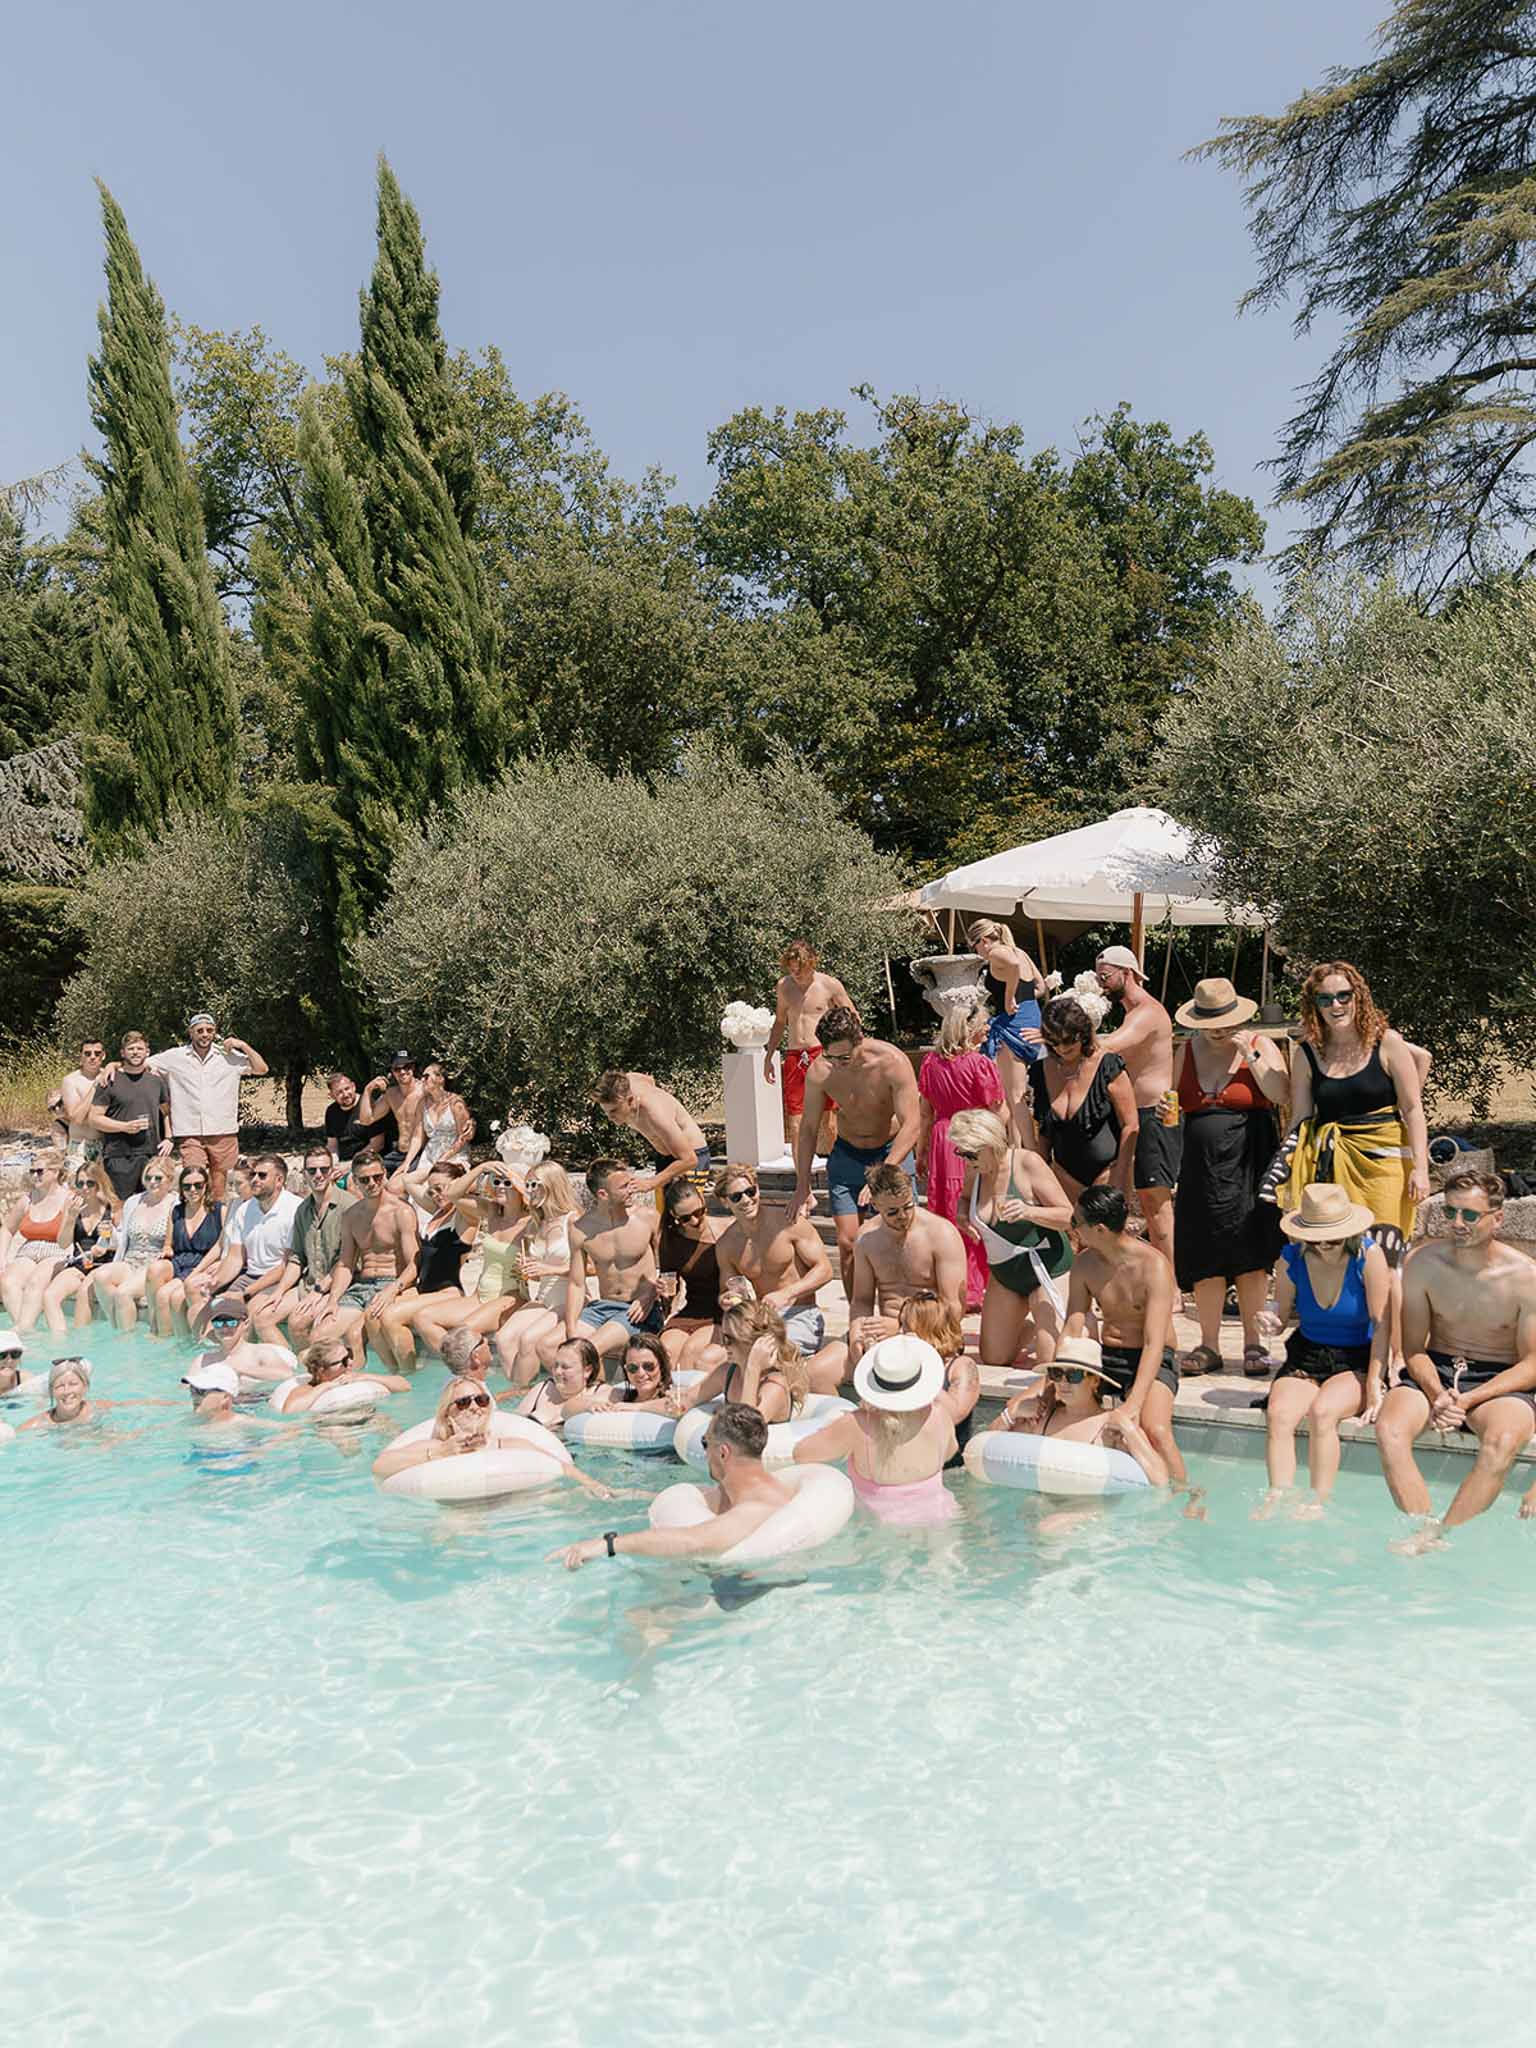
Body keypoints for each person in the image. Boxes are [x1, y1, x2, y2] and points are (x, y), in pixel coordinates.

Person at [1375, 1170, 1536, 1550]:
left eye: (1469, 1215)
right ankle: (1424, 1529)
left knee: (1502, 1440)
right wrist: (1438, 1393)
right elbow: (1413, 1348)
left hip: (1499, 1379)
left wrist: (1466, 1400)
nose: (1457, 1224)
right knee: (1389, 1431)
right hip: (1437, 1368)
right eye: (1450, 1213)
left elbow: (1531, 1364)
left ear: (1497, 1218)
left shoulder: (1525, 1278)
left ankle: (1442, 1532)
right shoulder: (1422, 1263)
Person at [1171, 978, 1289, 1375]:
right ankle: (1208, 1344)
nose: (1217, 1028)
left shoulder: (1259, 1043)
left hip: (1249, 1157)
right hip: (1199, 1164)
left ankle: (1254, 1343)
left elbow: (1281, 1094)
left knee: (1250, 1248)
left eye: (1223, 1020)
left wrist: (1251, 1056)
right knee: (1204, 1249)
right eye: (1209, 1021)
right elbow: (1173, 1101)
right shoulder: (1186, 1050)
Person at [1276, 961, 1430, 1258]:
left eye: (1344, 995)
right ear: (1314, 1005)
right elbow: (1300, 1119)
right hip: (1330, 1166)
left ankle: (1388, 1307)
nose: (1336, 1005)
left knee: (1386, 1253)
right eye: (1325, 999)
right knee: (1339, 1255)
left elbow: (1412, 1109)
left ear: (1358, 997)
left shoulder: (1387, 1043)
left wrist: (1421, 1170)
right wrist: (1286, 1174)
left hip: (1386, 1166)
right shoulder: (1307, 1053)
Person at [1257, 1184, 1390, 1516]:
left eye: (1334, 1238)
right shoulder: (1290, 1258)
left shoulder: (1368, 1256)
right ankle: (1277, 1494)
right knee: (1280, 1414)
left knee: (1323, 1413)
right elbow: (1282, 1311)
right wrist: (1271, 1321)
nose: (1326, 1245)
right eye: (1317, 1239)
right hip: (1308, 1353)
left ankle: (1318, 1499)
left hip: (1357, 1356)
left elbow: (1383, 1323)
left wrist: (1375, 1383)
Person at [551, 1401, 795, 1567]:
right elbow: (710, 1497)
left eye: (704, 1442)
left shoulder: (754, 1510)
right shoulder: (758, 1488)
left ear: (723, 1453)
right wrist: (632, 1494)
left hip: (743, 1593)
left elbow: (691, 1542)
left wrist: (607, 1544)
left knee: (646, 1619)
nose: (704, 1451)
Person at [1060, 1185, 1187, 1488]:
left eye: (1076, 1222)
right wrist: (1057, 1375)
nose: (1071, 1227)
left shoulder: (1153, 1266)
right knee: (1059, 1408)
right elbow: (1073, 1323)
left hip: (1153, 1359)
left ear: (1100, 1229)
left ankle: (1188, 1495)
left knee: (1154, 1429)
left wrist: (1134, 1404)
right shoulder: (1085, 1264)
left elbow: (1153, 1343)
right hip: (1108, 1357)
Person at [792, 1006, 922, 1296]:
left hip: (891, 1153)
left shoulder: (891, 1062)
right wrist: (802, 1184)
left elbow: (912, 1124)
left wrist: (884, 1171)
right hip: (848, 1156)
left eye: (844, 1057)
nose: (837, 1064)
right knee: (848, 1242)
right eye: (830, 1056)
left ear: (859, 1039)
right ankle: (858, 1316)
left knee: (903, 1237)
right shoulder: (820, 1071)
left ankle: (907, 1311)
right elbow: (809, 1129)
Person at [949, 1107, 1075, 1371]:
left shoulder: (1027, 1163)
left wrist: (1030, 1211)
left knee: (1050, 1361)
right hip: (1006, 1274)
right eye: (961, 1152)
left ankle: (1070, 1325)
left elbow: (1068, 1215)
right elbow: (963, 1199)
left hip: (1048, 1269)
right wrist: (963, 1217)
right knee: (994, 1357)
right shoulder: (976, 1170)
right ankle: (1029, 1327)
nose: (965, 1159)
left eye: (970, 1152)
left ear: (990, 1144)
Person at [794, 1334, 959, 1525]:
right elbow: (950, 1452)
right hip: (942, 1515)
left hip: (885, 1528)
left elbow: (801, 1454)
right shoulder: (939, 1415)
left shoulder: (857, 1425)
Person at [1092, 945, 1181, 1268]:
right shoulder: (1132, 1012)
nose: (1102, 985)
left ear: (1126, 973)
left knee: (1155, 1201)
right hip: (1136, 1115)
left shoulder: (1147, 1011)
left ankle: (1170, 1281)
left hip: (1154, 1114)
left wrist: (1066, 1032)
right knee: (1133, 1198)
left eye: (1105, 977)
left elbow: (1109, 1045)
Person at [988, 1334, 1171, 1485]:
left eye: (1074, 1375)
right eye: (1057, 1374)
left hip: (1087, 1515)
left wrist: (1129, 1429)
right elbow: (985, 1448)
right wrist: (1010, 1414)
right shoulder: (1042, 1418)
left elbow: (1160, 1479)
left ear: (1095, 1381)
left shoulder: (1109, 1427)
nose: (1063, 1383)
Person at [916, 999, 1004, 1310]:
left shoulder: (930, 1063)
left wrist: (922, 1151)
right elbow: (996, 1110)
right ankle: (974, 1287)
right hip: (972, 1136)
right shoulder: (981, 1065)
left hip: (942, 1138)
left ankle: (949, 1283)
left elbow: (925, 1114)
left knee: (946, 1212)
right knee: (971, 1212)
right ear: (969, 1029)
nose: (987, 1027)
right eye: (982, 1023)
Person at [712, 1164, 837, 1381]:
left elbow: (825, 1270)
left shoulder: (787, 1222)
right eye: (736, 1196)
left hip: (800, 1313)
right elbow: (727, 1289)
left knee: (767, 1359)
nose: (746, 1200)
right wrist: (727, 1300)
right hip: (761, 1321)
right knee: (712, 1360)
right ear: (724, 1201)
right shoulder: (726, 1244)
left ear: (758, 1189)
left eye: (751, 1192)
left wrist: (786, 1294)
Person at [840, 1163, 968, 1374]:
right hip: (886, 1337)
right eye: (892, 1212)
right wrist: (856, 1336)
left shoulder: (941, 1234)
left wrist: (903, 1328)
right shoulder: (866, 1239)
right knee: (820, 1370)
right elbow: (861, 1300)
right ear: (875, 1205)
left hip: (933, 1336)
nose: (902, 1215)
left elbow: (953, 1308)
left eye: (908, 1206)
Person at [407, 1160, 532, 1358]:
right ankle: (462, 1367)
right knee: (422, 1318)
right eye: (496, 1181)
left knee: (463, 1332)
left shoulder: (531, 1221)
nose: (500, 1186)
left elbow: (547, 1204)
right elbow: (451, 1194)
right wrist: (483, 1167)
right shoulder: (491, 1212)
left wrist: (519, 1181)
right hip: (481, 1294)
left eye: (507, 1183)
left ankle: (468, 1366)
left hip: (511, 1295)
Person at [1026, 995, 1139, 1207]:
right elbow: (1044, 1131)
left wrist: (1120, 1175)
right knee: (1073, 1238)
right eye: (1054, 1042)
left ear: (1083, 1033)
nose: (1061, 1048)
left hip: (1108, 1173)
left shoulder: (1107, 1065)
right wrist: (1039, 1175)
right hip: (1063, 1177)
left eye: (1068, 1040)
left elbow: (1130, 1124)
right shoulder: (1041, 1070)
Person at [368, 1161, 478, 1370]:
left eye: (441, 1188)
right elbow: (407, 1180)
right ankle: (394, 1371)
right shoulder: (437, 1211)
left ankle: (409, 1376)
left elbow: (461, 1194)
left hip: (448, 1291)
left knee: (391, 1317)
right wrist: (437, 1172)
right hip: (423, 1288)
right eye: (432, 1190)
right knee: (372, 1314)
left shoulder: (465, 1216)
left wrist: (459, 1179)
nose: (436, 1194)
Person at [552, 1159, 664, 1365]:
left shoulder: (648, 1218)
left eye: (631, 1182)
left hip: (638, 1310)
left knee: (584, 1352)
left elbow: (667, 1269)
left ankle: (593, 1392)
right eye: (624, 1186)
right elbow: (577, 1284)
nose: (633, 1189)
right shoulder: (581, 1229)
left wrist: (650, 1294)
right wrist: (571, 1328)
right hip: (602, 1307)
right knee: (548, 1345)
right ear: (603, 1194)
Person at [147, 1014, 267, 1200]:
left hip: (223, 1133)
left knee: (221, 1189)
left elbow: (261, 1069)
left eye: (209, 1030)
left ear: (215, 1032)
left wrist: (242, 1045)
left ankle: (219, 1225)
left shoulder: (229, 1057)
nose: (205, 1034)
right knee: (194, 1184)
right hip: (190, 1133)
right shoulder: (174, 1057)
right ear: (191, 1032)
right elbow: (140, 1064)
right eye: (200, 1030)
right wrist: (111, 1067)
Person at [488, 1162, 581, 1386]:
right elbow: (541, 1272)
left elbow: (591, 1268)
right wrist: (530, 1270)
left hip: (567, 1298)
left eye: (533, 1184)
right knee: (503, 1338)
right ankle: (518, 1388)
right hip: (544, 1298)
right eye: (527, 1185)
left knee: (528, 1340)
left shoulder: (573, 1219)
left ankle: (522, 1393)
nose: (528, 1190)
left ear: (551, 1185)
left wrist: (549, 1269)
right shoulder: (538, 1222)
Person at [763, 940, 857, 1156]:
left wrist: (851, 1054)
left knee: (828, 1123)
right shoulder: (784, 986)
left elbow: (852, 1017)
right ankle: (801, 1182)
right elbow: (780, 1022)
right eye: (792, 969)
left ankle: (834, 1174)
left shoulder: (829, 985)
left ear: (812, 963)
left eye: (801, 970)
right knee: (796, 1124)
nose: (796, 974)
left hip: (822, 1054)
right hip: (795, 1055)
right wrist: (769, 1056)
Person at [323, 1156, 419, 1367]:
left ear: (385, 1174)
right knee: (320, 1335)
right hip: (360, 1287)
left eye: (377, 1177)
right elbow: (346, 1263)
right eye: (364, 1180)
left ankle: (400, 1379)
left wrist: (392, 1290)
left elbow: (414, 1264)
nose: (372, 1183)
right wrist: (332, 1300)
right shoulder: (351, 1216)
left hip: (391, 1283)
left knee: (354, 1335)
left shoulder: (401, 1212)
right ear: (355, 1181)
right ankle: (351, 1389)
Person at [257, 1148, 357, 1349]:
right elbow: (297, 1258)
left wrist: (319, 1291)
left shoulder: (349, 1206)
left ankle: (312, 1372)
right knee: (262, 1317)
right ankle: (291, 1371)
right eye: (312, 1171)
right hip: (309, 1283)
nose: (318, 1175)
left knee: (298, 1322)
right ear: (304, 1174)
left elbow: (347, 1261)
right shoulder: (303, 1210)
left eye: (323, 1170)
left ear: (332, 1171)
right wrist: (280, 1290)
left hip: (339, 1284)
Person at [188, 1155, 301, 1330]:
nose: (255, 1180)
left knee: (243, 1317)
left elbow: (285, 1266)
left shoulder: (295, 1209)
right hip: (250, 1276)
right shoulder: (244, 1210)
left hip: (279, 1279)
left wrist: (244, 1293)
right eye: (253, 1175)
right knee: (202, 1313)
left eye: (262, 1176)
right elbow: (235, 1259)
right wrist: (215, 1281)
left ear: (279, 1180)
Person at [966, 920, 1046, 1145]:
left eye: (975, 948)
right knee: (1015, 1093)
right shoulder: (1019, 951)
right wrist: (1023, 1000)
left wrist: (1009, 997)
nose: (978, 953)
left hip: (1013, 1025)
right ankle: (1015, 1146)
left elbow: (1011, 966)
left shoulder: (998, 953)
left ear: (983, 941)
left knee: (1015, 1095)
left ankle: (1029, 1151)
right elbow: (1040, 987)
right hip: (1032, 1019)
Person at [676, 1297, 809, 1425]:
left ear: (756, 1343)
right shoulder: (729, 1372)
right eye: (722, 1337)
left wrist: (753, 1367)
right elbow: (688, 1398)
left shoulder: (775, 1386)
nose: (723, 1344)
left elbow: (745, 1430)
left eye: (729, 1339)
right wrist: (658, 1403)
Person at [89, 1159, 179, 1333]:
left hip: (152, 1265)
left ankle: (125, 1340)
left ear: (170, 1179)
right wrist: (108, 1234)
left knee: (123, 1293)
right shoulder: (134, 1201)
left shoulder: (175, 1204)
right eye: (148, 1177)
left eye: (158, 1178)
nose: (152, 1182)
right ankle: (119, 1326)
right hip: (129, 1260)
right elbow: (122, 1238)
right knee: (100, 1276)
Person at [592, 1070, 712, 1200]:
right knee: (664, 1215)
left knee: (688, 1213)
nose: (610, 1117)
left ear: (631, 1100)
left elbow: (690, 1159)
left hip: (691, 1156)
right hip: (665, 1156)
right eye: (606, 1112)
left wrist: (651, 1182)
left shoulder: (654, 1114)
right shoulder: (628, 1081)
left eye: (614, 1111)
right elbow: (649, 1079)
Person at [898, 1289, 978, 1471]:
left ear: (929, 1329)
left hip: (949, 1467)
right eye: (900, 1326)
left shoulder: (961, 1366)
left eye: (907, 1328)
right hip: (906, 1461)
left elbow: (956, 1414)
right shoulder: (902, 1363)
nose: (899, 1333)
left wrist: (922, 1367)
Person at [88, 1031, 172, 1201]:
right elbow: (94, 1118)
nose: (135, 1052)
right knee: (120, 1207)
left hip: (151, 1155)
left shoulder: (156, 1081)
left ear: (147, 1052)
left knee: (152, 1204)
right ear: (122, 1052)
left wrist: (169, 1138)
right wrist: (124, 1127)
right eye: (131, 1048)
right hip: (119, 1156)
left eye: (140, 1048)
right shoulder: (110, 1081)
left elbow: (166, 1111)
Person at [0, 1149, 77, 1332]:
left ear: (55, 1172)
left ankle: (23, 1329)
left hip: (56, 1250)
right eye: (32, 1171)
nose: (35, 1176)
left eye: (40, 1171)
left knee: (36, 1282)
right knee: (8, 1281)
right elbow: (8, 1229)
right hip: (28, 1250)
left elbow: (67, 1238)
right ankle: (27, 1330)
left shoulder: (68, 1198)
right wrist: (2, 1258)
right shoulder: (26, 1200)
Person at [145, 1160, 223, 1338]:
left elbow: (223, 1246)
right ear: (181, 1189)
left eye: (198, 1185)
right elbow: (168, 1244)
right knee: (162, 1293)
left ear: (206, 1186)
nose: (193, 1190)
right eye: (187, 1186)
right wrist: (165, 1250)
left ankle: (182, 1342)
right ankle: (160, 1336)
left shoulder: (219, 1211)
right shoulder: (177, 1211)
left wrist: (208, 1267)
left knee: (172, 1297)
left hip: (205, 1264)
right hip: (181, 1263)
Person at [654, 1179, 725, 1371]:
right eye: (686, 1218)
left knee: (692, 1352)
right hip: (693, 1308)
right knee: (665, 1351)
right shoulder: (671, 1239)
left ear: (703, 1200)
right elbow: (671, 1286)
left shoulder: (726, 1230)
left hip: (722, 1310)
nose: (695, 1221)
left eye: (699, 1212)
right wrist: (664, 1292)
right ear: (674, 1216)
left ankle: (687, 1400)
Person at [41, 1162, 119, 1334]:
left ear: (100, 1183)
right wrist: (71, 1218)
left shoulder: (112, 1207)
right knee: (49, 1296)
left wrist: (104, 1247)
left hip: (104, 1264)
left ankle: (81, 1340)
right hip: (79, 1263)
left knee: (84, 1294)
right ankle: (60, 1339)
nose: (84, 1188)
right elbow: (62, 1243)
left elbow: (119, 1241)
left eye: (90, 1183)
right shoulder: (72, 1206)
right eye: (80, 1183)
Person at [275, 1336, 409, 1414]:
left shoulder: (354, 1377)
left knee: (384, 1423)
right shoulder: (308, 1388)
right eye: (343, 1361)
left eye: (349, 1355)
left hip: (365, 1414)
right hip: (331, 1422)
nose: (350, 1362)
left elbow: (405, 1386)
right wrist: (326, 1386)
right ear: (322, 1370)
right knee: (336, 1431)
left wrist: (366, 1377)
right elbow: (290, 1411)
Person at [194, 1294, 303, 1386]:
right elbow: (185, 1390)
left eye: (231, 1322)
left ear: (245, 1324)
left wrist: (241, 1369)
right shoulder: (203, 1360)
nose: (224, 1328)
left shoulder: (260, 1353)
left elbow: (287, 1374)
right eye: (218, 1323)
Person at [518, 1336, 613, 1430]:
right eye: (556, 1365)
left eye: (565, 1367)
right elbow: (515, 1423)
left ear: (587, 1370)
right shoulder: (542, 1389)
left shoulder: (602, 1392)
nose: (557, 1372)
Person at [399, 1061, 474, 1174]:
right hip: (429, 1156)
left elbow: (463, 1138)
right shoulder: (422, 1103)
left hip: (454, 1156)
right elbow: (417, 1137)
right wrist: (407, 1162)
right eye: (422, 1077)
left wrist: (443, 1159)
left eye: (426, 1076)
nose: (422, 1080)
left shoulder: (455, 1103)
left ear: (440, 1079)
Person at [356, 1053, 422, 1171]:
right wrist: (368, 1090)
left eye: (406, 1067)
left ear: (413, 1068)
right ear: (392, 1072)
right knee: (367, 1173)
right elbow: (366, 1120)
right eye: (397, 1068)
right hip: (398, 1153)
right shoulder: (391, 1094)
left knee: (394, 1186)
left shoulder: (424, 1091)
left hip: (419, 1154)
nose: (402, 1072)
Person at [19, 1355, 106, 1431]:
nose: (66, 1391)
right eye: (60, 1386)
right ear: (51, 1391)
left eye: (73, 1384)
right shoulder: (38, 1425)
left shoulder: (100, 1408)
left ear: (85, 1386)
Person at [56, 1038, 107, 1162]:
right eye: (88, 1053)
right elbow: (77, 1117)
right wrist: (96, 1087)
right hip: (80, 1146)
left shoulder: (109, 1075)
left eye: (97, 1053)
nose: (93, 1057)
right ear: (81, 1056)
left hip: (106, 1146)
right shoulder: (70, 1080)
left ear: (103, 1055)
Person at [323, 1073, 386, 1171]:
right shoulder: (331, 1112)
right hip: (343, 1163)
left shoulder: (367, 1105)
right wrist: (334, 1164)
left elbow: (378, 1143)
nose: (345, 1094)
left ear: (353, 1086)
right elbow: (332, 1145)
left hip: (368, 1162)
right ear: (331, 1095)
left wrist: (352, 1164)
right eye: (339, 1092)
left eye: (347, 1089)